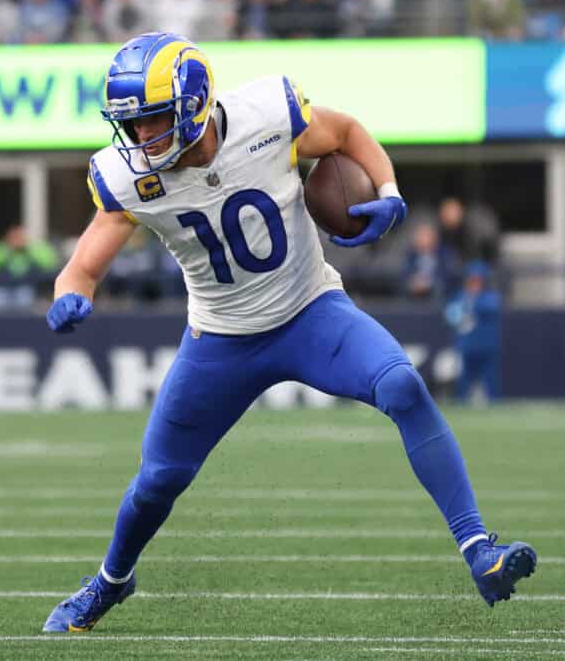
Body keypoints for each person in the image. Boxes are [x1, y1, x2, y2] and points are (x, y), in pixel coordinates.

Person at [41, 33, 536, 633]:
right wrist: (71, 294)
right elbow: (84, 264)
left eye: (151, 121)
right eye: (133, 125)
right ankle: (110, 582)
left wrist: (388, 191)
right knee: (157, 481)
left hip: (310, 311)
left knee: (402, 385)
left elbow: (348, 132)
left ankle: (479, 551)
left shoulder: (267, 115)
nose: (140, 139)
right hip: (220, 340)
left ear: (195, 106)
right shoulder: (127, 176)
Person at [445, 262, 502, 403]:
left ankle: (494, 407)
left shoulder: (490, 297)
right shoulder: (460, 296)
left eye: (478, 280)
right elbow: (451, 314)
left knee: (490, 382)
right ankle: (461, 404)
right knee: (463, 381)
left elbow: (490, 308)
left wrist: (470, 303)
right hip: (467, 346)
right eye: (472, 279)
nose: (475, 283)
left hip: (486, 347)